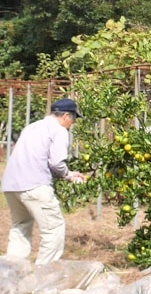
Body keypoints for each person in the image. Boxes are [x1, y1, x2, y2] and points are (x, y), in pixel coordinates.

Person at [2, 97, 87, 266]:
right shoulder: (59, 130)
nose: (72, 124)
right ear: (66, 116)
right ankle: (44, 276)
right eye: (74, 119)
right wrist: (69, 175)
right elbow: (56, 162)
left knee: (20, 226)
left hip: (11, 185)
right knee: (53, 229)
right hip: (34, 185)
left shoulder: (32, 127)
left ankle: (10, 273)